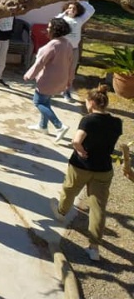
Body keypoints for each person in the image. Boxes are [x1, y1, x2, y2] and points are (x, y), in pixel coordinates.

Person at [51, 85, 123, 262]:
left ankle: (61, 212)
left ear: (91, 102)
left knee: (70, 189)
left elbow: (77, 140)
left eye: (86, 101)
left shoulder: (88, 120)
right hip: (104, 169)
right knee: (98, 208)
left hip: (81, 166)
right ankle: (94, 247)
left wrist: (80, 150)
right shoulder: (117, 122)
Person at [23, 17, 72, 141]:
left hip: (48, 80)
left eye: (49, 27)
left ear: (55, 30)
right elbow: (70, 63)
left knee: (38, 102)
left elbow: (40, 63)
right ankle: (43, 126)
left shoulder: (53, 45)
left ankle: (59, 125)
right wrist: (69, 80)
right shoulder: (67, 43)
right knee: (46, 102)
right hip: (60, 79)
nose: (47, 29)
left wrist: (29, 75)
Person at [56, 0, 96, 101]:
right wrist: (64, 13)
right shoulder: (63, 19)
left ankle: (66, 91)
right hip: (62, 49)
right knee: (59, 70)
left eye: (74, 8)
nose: (72, 10)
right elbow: (54, 21)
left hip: (74, 49)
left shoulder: (80, 19)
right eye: (70, 8)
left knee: (71, 72)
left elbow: (92, 10)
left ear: (77, 11)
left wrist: (81, 1)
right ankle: (55, 89)